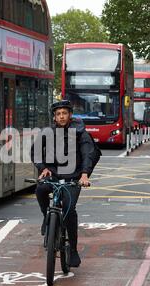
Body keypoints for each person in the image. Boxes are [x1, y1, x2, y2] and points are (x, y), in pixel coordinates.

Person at [31, 100, 99, 268]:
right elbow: (36, 151)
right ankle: (46, 216)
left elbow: (89, 153)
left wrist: (84, 174)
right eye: (58, 114)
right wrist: (43, 168)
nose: (61, 116)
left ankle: (73, 250)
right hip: (52, 175)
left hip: (73, 177)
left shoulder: (80, 132)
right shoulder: (48, 132)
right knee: (40, 189)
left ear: (70, 115)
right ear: (54, 117)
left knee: (69, 209)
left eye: (64, 113)